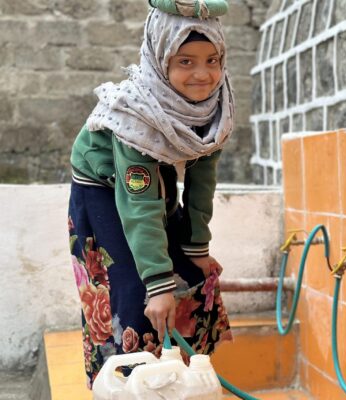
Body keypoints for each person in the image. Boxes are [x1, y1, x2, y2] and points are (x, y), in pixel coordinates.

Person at [67, 3, 234, 388]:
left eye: (212, 60)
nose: (203, 74)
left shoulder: (216, 104)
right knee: (136, 289)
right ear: (161, 61)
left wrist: (196, 246)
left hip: (152, 174)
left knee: (194, 273)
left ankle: (183, 376)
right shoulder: (136, 115)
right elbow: (138, 203)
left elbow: (202, 178)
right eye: (186, 62)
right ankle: (128, 384)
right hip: (105, 187)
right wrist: (158, 284)